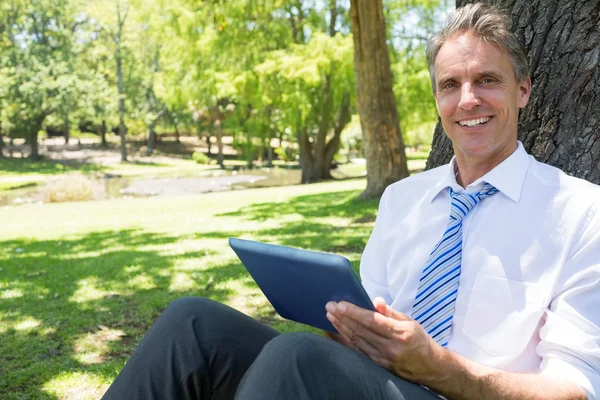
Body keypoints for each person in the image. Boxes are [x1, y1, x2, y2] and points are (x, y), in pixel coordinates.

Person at [102, 3, 600, 399]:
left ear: (524, 91)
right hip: (376, 383)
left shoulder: (580, 212)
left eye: (487, 80)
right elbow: (360, 328)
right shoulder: (403, 200)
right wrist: (348, 329)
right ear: (438, 102)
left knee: (295, 358)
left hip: (467, 393)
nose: (467, 99)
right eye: (450, 85)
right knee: (192, 323)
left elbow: (576, 389)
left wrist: (441, 368)